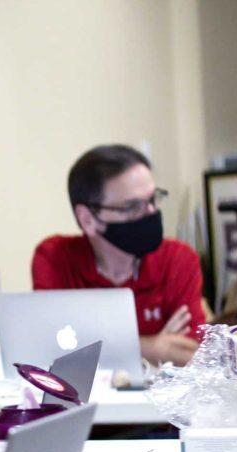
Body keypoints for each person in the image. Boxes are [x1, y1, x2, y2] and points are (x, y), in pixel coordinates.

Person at [32, 144, 206, 367]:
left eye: (153, 199)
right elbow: (46, 351)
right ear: (88, 219)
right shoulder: (55, 258)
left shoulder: (178, 259)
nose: (151, 212)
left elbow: (194, 355)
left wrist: (88, 344)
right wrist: (154, 347)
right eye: (132, 206)